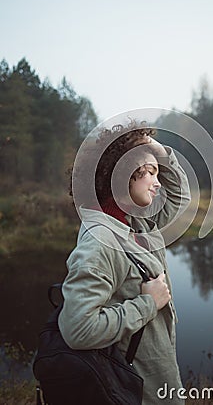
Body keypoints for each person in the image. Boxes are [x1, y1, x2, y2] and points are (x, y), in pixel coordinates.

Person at [58, 121, 191, 404]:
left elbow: (180, 196)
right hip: (134, 393)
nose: (157, 182)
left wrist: (157, 151)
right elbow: (78, 330)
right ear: (124, 173)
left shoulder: (136, 222)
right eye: (151, 172)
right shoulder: (100, 241)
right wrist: (147, 304)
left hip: (157, 385)